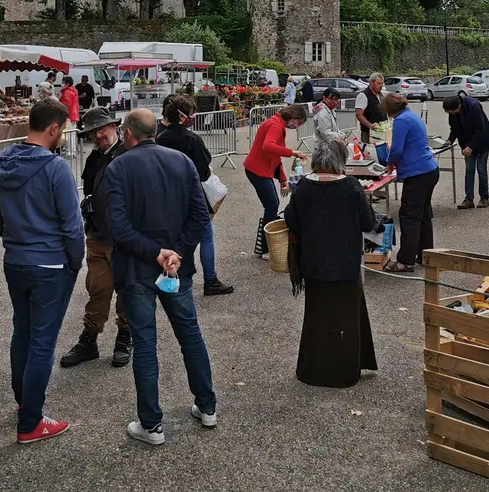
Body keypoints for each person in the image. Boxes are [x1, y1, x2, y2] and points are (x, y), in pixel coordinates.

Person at [106, 109, 216, 446]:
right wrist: (175, 252)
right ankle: (207, 405)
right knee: (190, 335)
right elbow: (201, 216)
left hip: (139, 268)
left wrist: (158, 253)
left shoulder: (118, 167)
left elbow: (117, 226)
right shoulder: (181, 162)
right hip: (173, 267)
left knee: (146, 345)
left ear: (128, 133)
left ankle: (152, 424)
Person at [0, 99, 84, 444]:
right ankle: (30, 421)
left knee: (23, 333)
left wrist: (17, 240)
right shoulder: (56, 168)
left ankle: (23, 402)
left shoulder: (3, 161)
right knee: (42, 343)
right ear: (55, 128)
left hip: (15, 260)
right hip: (49, 263)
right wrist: (75, 260)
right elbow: (72, 226)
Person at [284, 139, 380, 387]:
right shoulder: (351, 187)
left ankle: (313, 370)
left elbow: (291, 221)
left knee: (316, 317)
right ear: (340, 161)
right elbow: (368, 224)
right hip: (345, 265)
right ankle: (344, 371)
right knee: (346, 318)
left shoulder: (303, 187)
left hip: (314, 264)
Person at [59, 107, 132, 370]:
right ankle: (89, 339)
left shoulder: (129, 155)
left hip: (125, 240)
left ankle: (125, 336)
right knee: (97, 289)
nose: (98, 135)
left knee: (127, 291)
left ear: (115, 127)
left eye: (102, 128)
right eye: (93, 131)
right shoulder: (93, 160)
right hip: (98, 236)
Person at [156, 95, 234, 296]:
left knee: (172, 236)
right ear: (183, 117)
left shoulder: (160, 138)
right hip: (192, 194)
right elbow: (204, 170)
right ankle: (210, 279)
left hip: (167, 195)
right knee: (206, 235)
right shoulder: (191, 139)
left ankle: (171, 276)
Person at [380, 93, 440, 274]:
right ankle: (425, 254)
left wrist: (389, 162)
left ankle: (405, 261)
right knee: (422, 215)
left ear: (389, 109)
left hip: (417, 173)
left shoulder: (401, 121)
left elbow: (397, 149)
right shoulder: (411, 115)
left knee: (409, 215)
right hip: (429, 169)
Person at [243, 103, 310, 258]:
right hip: (257, 170)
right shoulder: (275, 125)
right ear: (293, 116)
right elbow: (268, 146)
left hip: (260, 169)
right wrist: (293, 152)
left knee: (272, 205)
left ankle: (267, 245)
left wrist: (282, 179)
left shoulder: (277, 123)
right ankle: (267, 248)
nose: (296, 126)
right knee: (272, 205)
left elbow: (275, 156)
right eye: (298, 123)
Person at [444, 92, 489, 210]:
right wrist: (449, 141)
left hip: (482, 141)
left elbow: (480, 129)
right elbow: (455, 128)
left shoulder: (474, 106)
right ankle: (469, 199)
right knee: (469, 169)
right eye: (449, 112)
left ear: (459, 105)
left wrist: (471, 146)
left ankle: (484, 197)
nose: (451, 114)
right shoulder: (452, 111)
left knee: (481, 170)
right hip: (466, 143)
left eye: (452, 111)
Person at [354, 74, 386, 143]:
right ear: (371, 83)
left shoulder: (381, 95)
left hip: (381, 133)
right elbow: (359, 115)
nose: (381, 86)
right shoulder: (363, 95)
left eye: (382, 84)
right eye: (378, 83)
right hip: (368, 133)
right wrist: (370, 125)